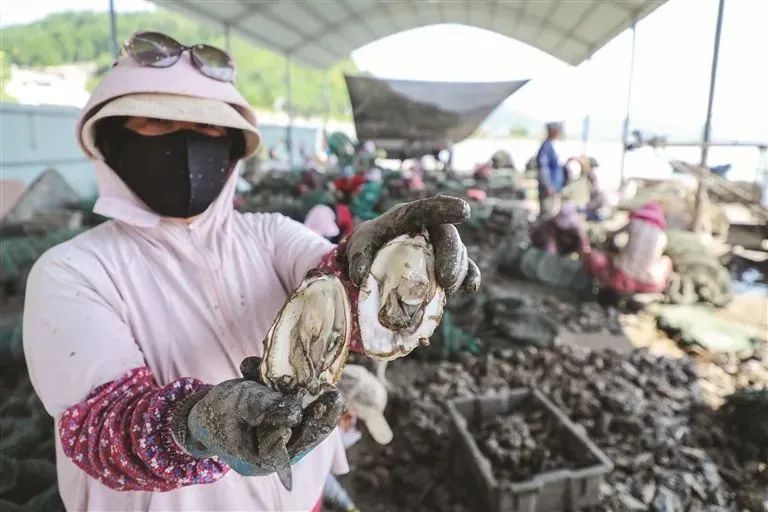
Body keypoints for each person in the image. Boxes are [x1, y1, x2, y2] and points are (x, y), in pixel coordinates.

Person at [22, 31, 480, 512]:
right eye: (157, 123)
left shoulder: (269, 234)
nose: (186, 145)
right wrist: (192, 424)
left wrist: (398, 267)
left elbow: (340, 297)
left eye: (208, 129)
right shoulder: (72, 271)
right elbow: (100, 426)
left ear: (235, 145)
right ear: (111, 142)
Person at [322, 365, 392, 512]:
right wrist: (344, 503)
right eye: (350, 417)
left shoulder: (352, 427)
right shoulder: (321, 429)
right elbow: (318, 473)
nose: (354, 427)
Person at [581, 202, 672, 296]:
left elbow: (612, 234)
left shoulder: (634, 223)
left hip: (623, 276)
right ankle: (664, 292)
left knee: (596, 257)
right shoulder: (662, 237)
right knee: (666, 260)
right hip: (649, 282)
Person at [536, 122, 566, 216]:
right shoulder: (546, 147)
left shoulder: (551, 146)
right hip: (548, 189)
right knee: (546, 214)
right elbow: (543, 168)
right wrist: (547, 185)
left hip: (553, 188)